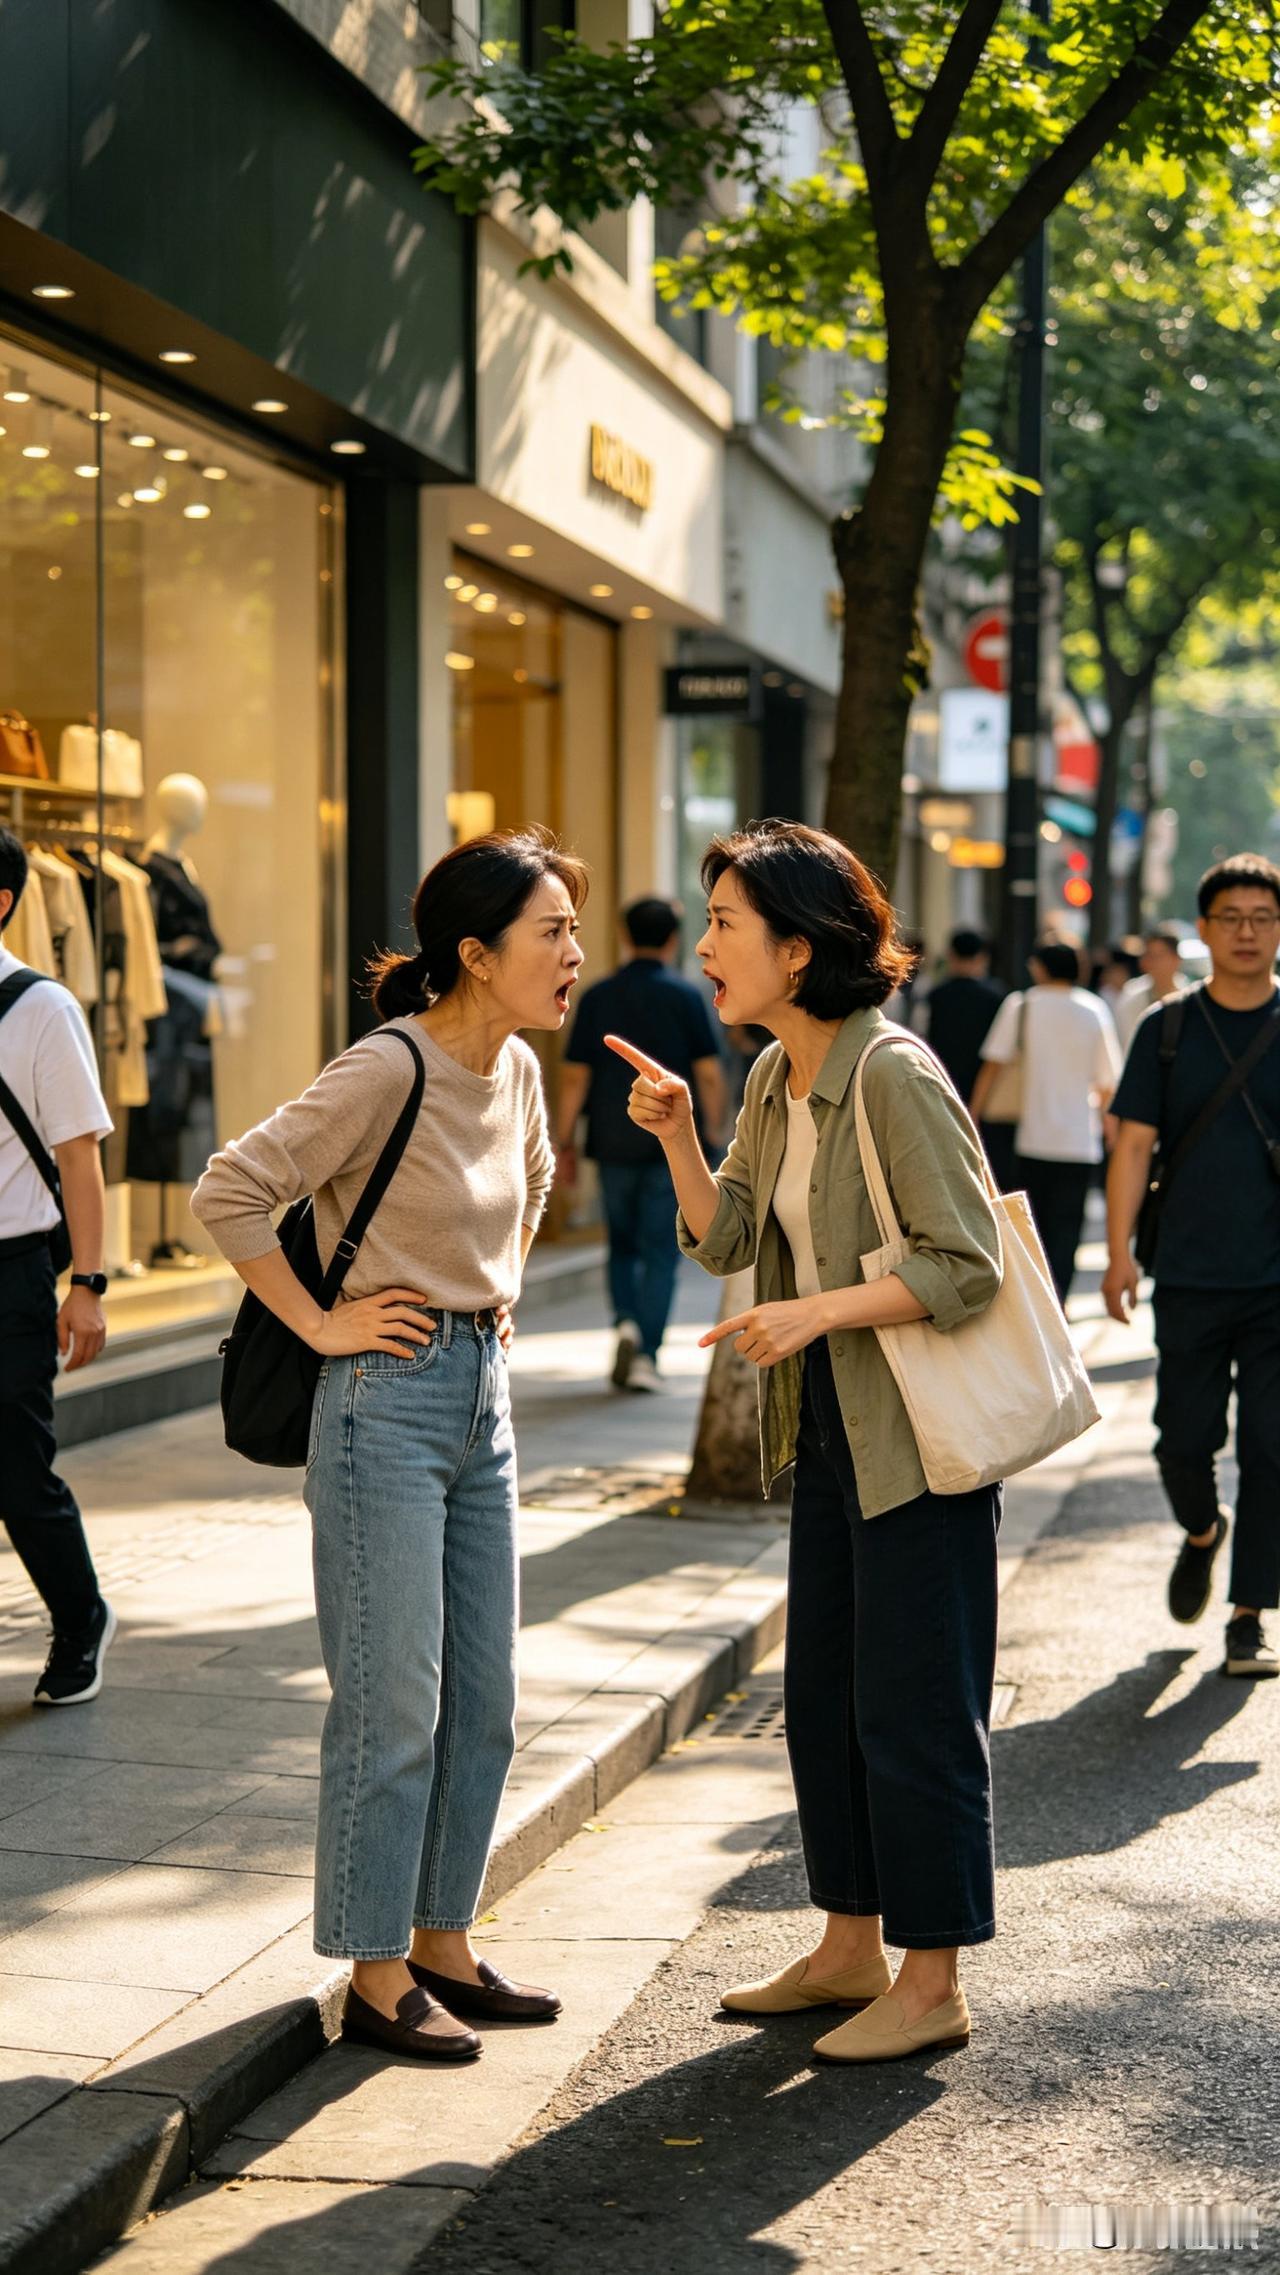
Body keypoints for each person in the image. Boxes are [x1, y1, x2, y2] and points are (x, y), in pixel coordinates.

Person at [608, 820, 1003, 2065]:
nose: (707, 942)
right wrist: (676, 1131)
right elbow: (725, 1242)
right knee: (823, 1697)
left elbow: (967, 1259)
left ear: (797, 944)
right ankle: (847, 1944)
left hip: (916, 1438)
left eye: (724, 923)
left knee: (915, 1706)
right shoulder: (780, 1078)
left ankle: (930, 1976)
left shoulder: (891, 1073)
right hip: (828, 1429)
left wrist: (817, 1309)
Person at [192, 828, 585, 2062]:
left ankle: (440, 1936)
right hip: (381, 1400)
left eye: (573, 930)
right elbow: (228, 1188)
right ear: (475, 953)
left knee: (486, 1698)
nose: (573, 953)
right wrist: (318, 1321)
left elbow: (533, 1175)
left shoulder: (513, 1067)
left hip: (481, 1393)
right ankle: (371, 1967)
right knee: (392, 1698)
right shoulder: (385, 1069)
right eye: (550, 933)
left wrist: (493, 1289)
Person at [1104, 853, 1280, 1679]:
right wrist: (1115, 1255)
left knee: (1274, 1448)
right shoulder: (1166, 1030)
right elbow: (1133, 1144)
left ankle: (1249, 1616)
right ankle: (1204, 1531)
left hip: (1278, 1282)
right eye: (1231, 918)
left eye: (1263, 917)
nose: (1247, 932)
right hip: (1189, 1274)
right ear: (1204, 931)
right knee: (1183, 1441)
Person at [0, 827, 115, 1707]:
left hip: (11, 1270)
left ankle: (79, 1618)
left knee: (15, 1467)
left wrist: (88, 1282)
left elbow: (79, 1159)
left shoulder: (41, 1009)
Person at [556, 895, 726, 1392]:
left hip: (611, 1141)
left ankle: (626, 1321)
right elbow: (709, 1074)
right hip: (668, 1145)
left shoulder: (597, 996)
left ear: (625, 936)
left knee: (622, 1243)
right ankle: (648, 1352)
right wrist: (711, 1130)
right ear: (674, 937)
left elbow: (574, 1078)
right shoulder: (687, 996)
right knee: (660, 1249)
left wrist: (564, 1139)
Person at [971, 938, 1121, 1304]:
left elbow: (993, 1065)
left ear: (1039, 967)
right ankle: (1061, 1305)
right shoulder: (1094, 1009)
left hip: (1027, 1138)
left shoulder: (1022, 1005)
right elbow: (1106, 1084)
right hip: (1078, 1142)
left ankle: (1035, 1304)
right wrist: (1111, 1133)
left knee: (1027, 1229)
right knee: (1067, 1232)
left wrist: (972, 1114)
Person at [920, 926, 1005, 1102]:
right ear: (982, 957)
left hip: (943, 1086)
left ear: (951, 955)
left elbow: (922, 1036)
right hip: (986, 1092)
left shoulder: (935, 996)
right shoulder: (997, 996)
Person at [1114, 922, 1187, 1051]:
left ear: (1176, 959)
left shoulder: (1189, 998)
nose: (1152, 962)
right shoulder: (1131, 996)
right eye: (1148, 955)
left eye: (1158, 956)